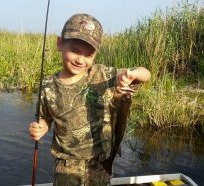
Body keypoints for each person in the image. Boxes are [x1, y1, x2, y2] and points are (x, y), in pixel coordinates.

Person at [29, 13, 151, 186]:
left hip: (102, 163)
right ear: (60, 44)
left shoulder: (103, 75)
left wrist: (132, 74)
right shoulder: (48, 85)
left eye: (88, 54)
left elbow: (146, 74)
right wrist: (41, 128)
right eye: (75, 51)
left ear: (96, 54)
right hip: (67, 167)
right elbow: (46, 117)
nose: (80, 59)